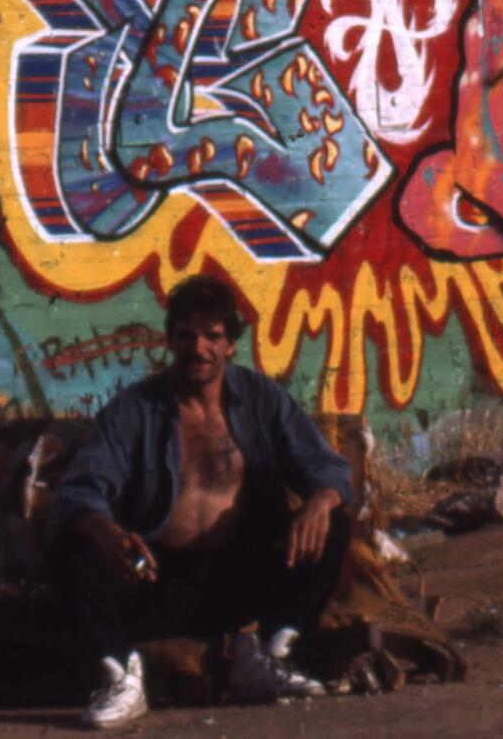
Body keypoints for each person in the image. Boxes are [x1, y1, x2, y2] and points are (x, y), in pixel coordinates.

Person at [49, 275, 354, 729]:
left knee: (335, 521)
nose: (199, 348)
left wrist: (320, 501)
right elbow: (78, 491)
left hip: (243, 578)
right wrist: (107, 531)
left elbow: (328, 469)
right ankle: (119, 676)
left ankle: (268, 656)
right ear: (171, 340)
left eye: (213, 336)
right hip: (154, 579)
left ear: (231, 344)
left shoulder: (262, 400)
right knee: (72, 547)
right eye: (187, 335)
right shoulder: (135, 410)